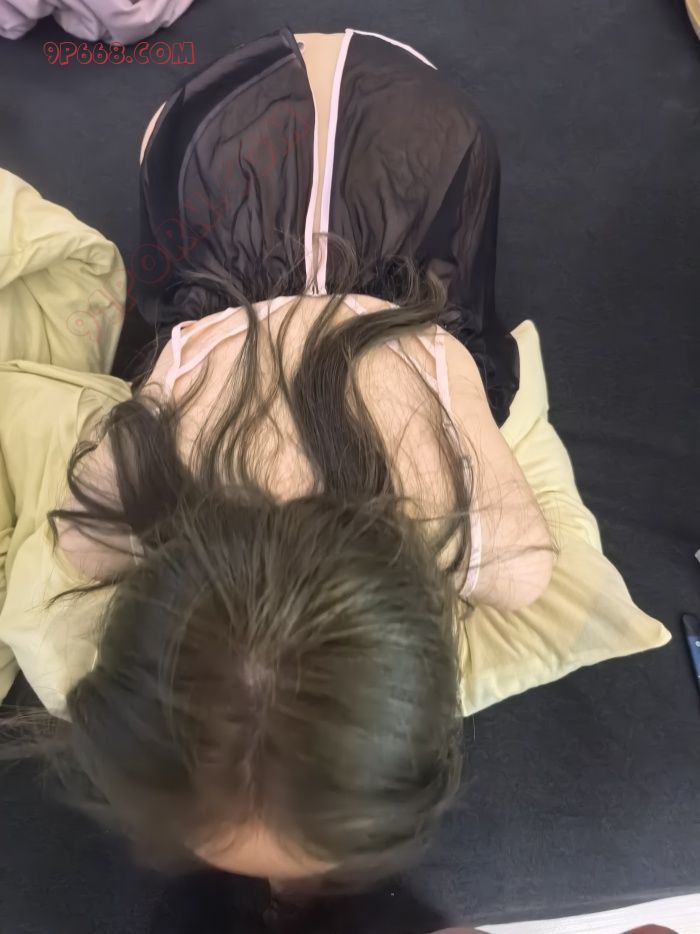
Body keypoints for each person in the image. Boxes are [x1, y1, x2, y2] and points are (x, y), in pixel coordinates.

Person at [20, 29, 554, 890]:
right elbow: (87, 543)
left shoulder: (467, 511)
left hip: (367, 124)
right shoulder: (148, 466)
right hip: (238, 128)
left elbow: (519, 569)